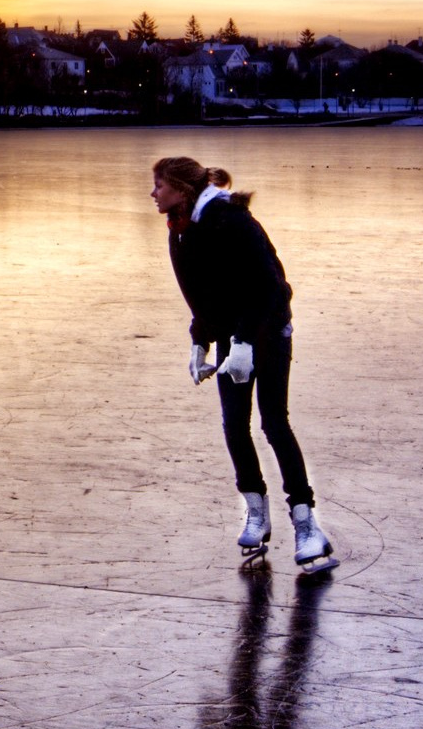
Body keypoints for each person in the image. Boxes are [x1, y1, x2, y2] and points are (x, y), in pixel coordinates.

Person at [151, 157, 337, 573]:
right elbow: (203, 294)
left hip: (268, 332)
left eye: (160, 185)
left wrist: (246, 343)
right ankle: (256, 510)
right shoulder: (181, 230)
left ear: (181, 188)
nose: (153, 193)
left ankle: (307, 525)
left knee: (273, 423)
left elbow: (273, 289)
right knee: (234, 424)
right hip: (231, 337)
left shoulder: (231, 221)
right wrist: (200, 341)